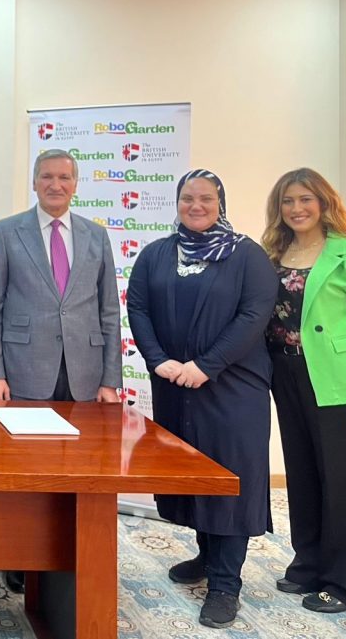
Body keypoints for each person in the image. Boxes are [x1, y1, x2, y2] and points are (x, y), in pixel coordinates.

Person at [126, 169, 277, 628]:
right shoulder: (156, 254)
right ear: (177, 202)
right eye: (187, 198)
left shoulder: (247, 255)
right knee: (192, 474)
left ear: (220, 202)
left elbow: (254, 315)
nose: (196, 205)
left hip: (233, 386)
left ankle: (226, 585)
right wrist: (157, 360)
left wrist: (207, 365)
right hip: (175, 386)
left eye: (206, 198)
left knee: (230, 477)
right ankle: (206, 556)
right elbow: (138, 307)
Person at [0, 148, 122, 594]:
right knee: (25, 471)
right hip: (24, 369)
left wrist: (110, 379)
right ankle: (20, 558)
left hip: (84, 372)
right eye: (47, 176)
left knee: (78, 470)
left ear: (76, 184)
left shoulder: (96, 235)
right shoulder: (6, 232)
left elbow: (109, 311)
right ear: (34, 182)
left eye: (64, 177)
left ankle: (67, 554)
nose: (55, 184)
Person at [261, 168, 346, 613]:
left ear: (324, 203)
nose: (296, 208)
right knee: (303, 475)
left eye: (305, 199)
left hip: (337, 381)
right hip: (286, 374)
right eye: (287, 201)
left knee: (344, 484)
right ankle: (311, 564)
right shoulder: (274, 253)